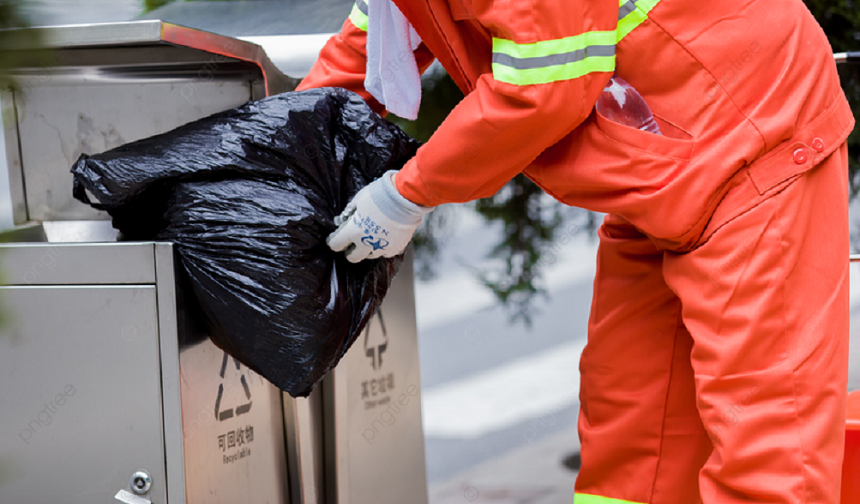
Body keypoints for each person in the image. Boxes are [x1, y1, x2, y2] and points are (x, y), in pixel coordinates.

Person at [298, 0, 855, 502]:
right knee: (632, 439)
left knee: (767, 449)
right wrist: (274, 158)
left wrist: (407, 194)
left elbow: (546, 85)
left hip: (755, 144)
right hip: (662, 164)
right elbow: (371, 41)